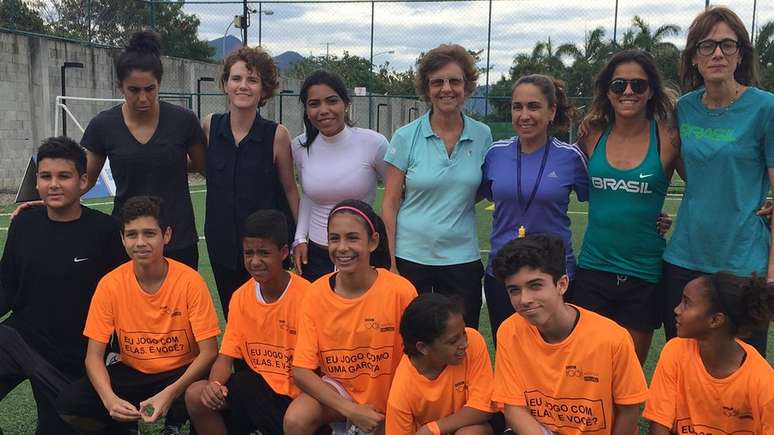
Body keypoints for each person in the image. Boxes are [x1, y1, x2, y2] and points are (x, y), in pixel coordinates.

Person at [662, 6, 774, 356]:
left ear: (741, 53)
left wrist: (772, 270)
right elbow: (684, 167)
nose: (718, 54)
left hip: (742, 261)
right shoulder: (685, 108)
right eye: (707, 46)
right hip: (684, 256)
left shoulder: (765, 108)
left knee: (741, 369)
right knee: (683, 361)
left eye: (728, 44)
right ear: (694, 57)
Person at [56, 196, 220, 434]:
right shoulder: (110, 284)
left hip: (183, 371)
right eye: (132, 235)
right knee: (71, 402)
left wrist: (170, 393)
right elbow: (93, 357)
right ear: (123, 239)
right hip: (135, 372)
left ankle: (178, 412)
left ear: (166, 235)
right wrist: (109, 399)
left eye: (149, 234)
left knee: (206, 394)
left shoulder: (189, 282)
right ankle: (124, 425)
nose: (140, 242)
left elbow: (209, 352)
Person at [0, 137, 126, 435]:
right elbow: (6, 284)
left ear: (84, 181)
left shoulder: (105, 230)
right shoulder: (24, 224)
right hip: (23, 341)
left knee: (74, 425)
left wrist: (116, 353)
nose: (53, 184)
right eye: (46, 177)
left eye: (63, 176)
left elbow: (122, 299)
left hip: (76, 354)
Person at [573, 49, 680, 364]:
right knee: (589, 370)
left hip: (643, 275)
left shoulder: (668, 138)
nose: (629, 92)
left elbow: (704, 186)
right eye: (619, 85)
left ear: (651, 91)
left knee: (629, 373)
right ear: (607, 91)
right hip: (593, 270)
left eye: (639, 85)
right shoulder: (592, 134)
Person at [283, 200, 417, 435]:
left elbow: (419, 358)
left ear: (373, 242)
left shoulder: (401, 291)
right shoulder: (316, 293)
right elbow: (302, 371)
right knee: (296, 419)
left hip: (393, 394)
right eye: (335, 238)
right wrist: (351, 410)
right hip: (340, 394)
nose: (342, 247)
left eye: (352, 238)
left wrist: (398, 409)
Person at [491, 234, 647, 435]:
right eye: (514, 290)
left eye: (535, 285)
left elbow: (629, 410)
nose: (524, 300)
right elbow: (513, 407)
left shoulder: (612, 338)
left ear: (562, 284)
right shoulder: (509, 331)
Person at [382, 44, 492, 328]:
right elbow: (391, 203)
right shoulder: (406, 137)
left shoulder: (483, 135)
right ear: (427, 88)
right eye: (437, 82)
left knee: (460, 339)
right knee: (412, 339)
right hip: (410, 257)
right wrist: (390, 263)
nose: (447, 89)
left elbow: (481, 189)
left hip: (462, 258)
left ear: (467, 86)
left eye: (454, 81)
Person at [80, 30, 205, 269]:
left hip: (178, 239)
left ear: (159, 83)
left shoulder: (184, 121)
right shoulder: (103, 125)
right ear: (120, 87)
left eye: (150, 88)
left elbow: (206, 168)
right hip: (128, 240)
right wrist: (47, 203)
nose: (143, 97)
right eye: (134, 90)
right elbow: (84, 180)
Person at [481, 74, 588, 342]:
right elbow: (470, 194)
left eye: (534, 106)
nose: (524, 115)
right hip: (503, 275)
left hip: (553, 276)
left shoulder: (570, 158)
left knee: (555, 353)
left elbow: (602, 201)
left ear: (551, 111)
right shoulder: (495, 154)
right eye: (518, 107)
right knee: (508, 349)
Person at [185, 209, 310, 434]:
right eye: (248, 253)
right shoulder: (241, 296)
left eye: (263, 253)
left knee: (293, 416)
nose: (255, 261)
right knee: (197, 394)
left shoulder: (309, 297)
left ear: (283, 252)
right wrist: (214, 385)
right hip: (256, 390)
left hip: (298, 396)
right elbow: (226, 357)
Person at [203, 46, 299, 316]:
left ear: (264, 90)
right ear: (225, 85)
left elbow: (290, 190)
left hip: (264, 246)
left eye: (252, 80)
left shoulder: (277, 135)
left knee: (267, 317)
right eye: (236, 78)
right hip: (221, 243)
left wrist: (300, 238)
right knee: (233, 315)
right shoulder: (210, 126)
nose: (243, 86)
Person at [644, 273, 774, 434]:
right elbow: (659, 423)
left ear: (715, 320)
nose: (677, 310)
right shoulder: (675, 351)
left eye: (687, 303)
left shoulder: (764, 382)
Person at [291, 70, 389, 282]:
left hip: (362, 254)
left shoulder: (374, 143)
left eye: (332, 101)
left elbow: (394, 196)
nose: (324, 110)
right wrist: (299, 238)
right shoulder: (299, 146)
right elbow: (308, 196)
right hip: (316, 257)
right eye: (314, 104)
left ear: (346, 103)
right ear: (306, 110)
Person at [385, 293, 496, 435]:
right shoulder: (402, 391)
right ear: (423, 348)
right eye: (452, 341)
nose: (464, 343)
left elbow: (483, 409)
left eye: (463, 333)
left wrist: (431, 429)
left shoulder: (474, 340)